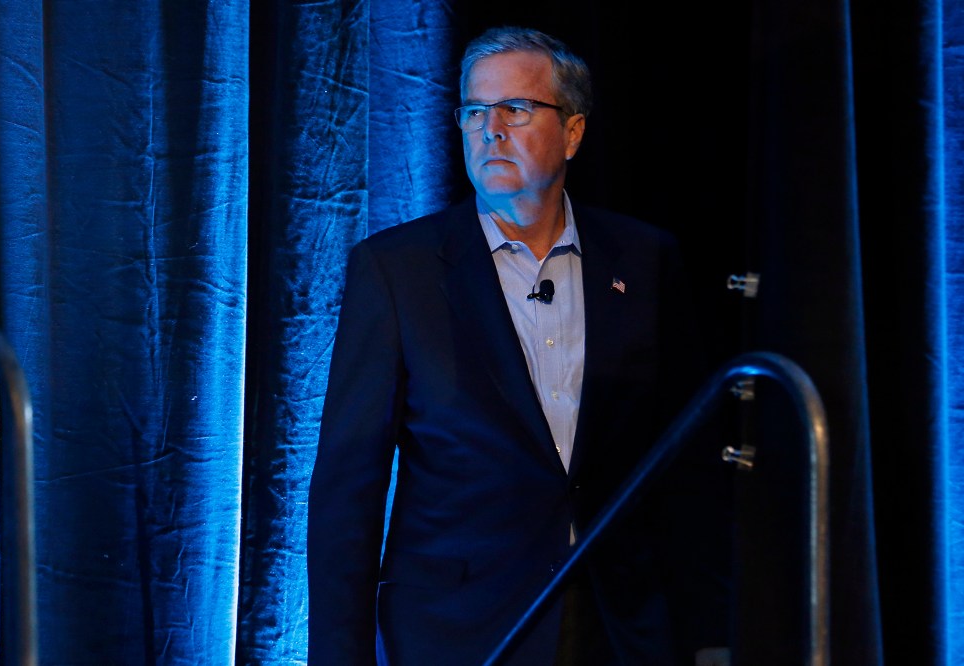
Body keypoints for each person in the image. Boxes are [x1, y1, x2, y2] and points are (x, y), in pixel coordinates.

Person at [308, 25, 732, 666]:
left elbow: (685, 464)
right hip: (459, 631)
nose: (490, 128)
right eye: (475, 111)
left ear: (573, 132)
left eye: (516, 108)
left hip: (618, 627)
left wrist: (708, 636)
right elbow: (349, 489)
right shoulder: (399, 270)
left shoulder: (644, 262)